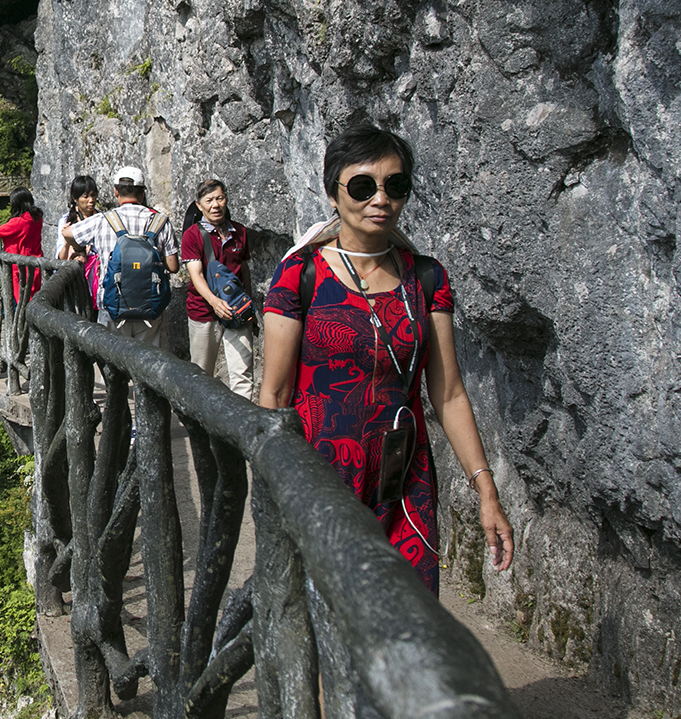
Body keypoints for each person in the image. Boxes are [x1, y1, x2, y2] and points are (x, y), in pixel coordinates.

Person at [258, 124, 514, 593]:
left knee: (405, 620)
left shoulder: (426, 278)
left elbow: (449, 392)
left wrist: (486, 489)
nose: (380, 199)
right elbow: (273, 392)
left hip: (404, 482)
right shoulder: (301, 275)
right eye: (362, 186)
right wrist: (274, 487)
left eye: (394, 185)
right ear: (333, 194)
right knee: (328, 626)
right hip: (320, 478)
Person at [61, 165, 179, 346]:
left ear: (116, 192)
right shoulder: (160, 221)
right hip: (149, 306)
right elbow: (173, 266)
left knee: (110, 363)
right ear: (142, 193)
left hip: (112, 305)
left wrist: (80, 248)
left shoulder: (102, 220)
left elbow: (68, 233)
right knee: (148, 365)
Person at [182, 179, 255, 397]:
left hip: (237, 310)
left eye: (220, 198)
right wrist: (215, 302)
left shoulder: (240, 232)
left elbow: (244, 270)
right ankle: (201, 427)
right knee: (201, 374)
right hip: (203, 311)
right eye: (209, 200)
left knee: (243, 373)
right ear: (199, 204)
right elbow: (196, 275)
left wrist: (248, 304)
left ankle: (241, 428)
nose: (216, 205)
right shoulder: (192, 235)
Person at [56, 174, 102, 313]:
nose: (91, 200)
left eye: (93, 195)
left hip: (97, 281)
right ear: (75, 199)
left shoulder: (101, 219)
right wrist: (66, 242)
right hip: (75, 282)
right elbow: (60, 258)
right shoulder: (66, 221)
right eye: (85, 196)